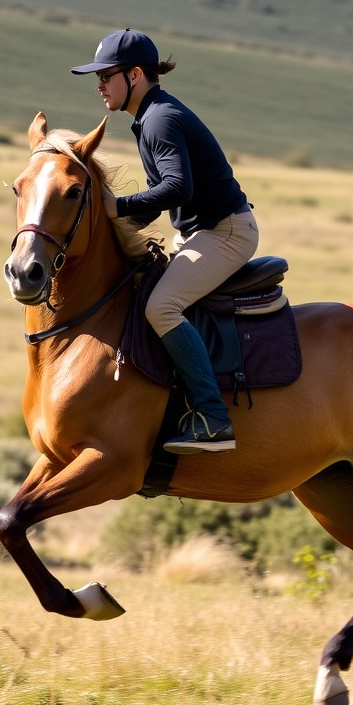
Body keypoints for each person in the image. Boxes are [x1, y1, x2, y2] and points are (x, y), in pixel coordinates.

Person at [71, 29, 258, 454]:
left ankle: (213, 417)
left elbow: (177, 188)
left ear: (135, 75)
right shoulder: (149, 116)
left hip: (225, 233)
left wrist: (115, 207)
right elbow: (161, 199)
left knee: (162, 306)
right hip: (200, 231)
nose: (99, 86)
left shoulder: (160, 119)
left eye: (106, 76)